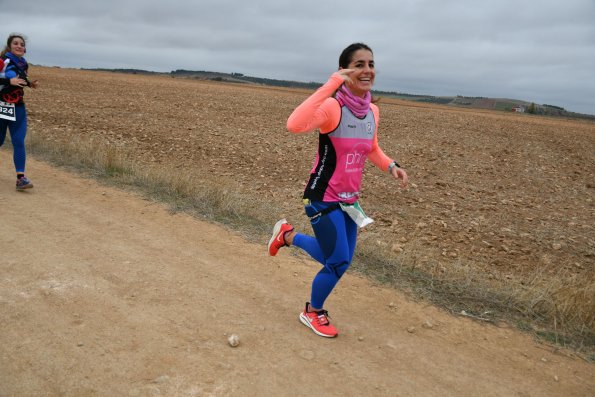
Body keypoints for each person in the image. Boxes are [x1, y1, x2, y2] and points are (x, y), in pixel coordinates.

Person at [267, 43, 409, 338]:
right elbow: (294, 124)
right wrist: (333, 83)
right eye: (359, 64)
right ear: (345, 70)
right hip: (321, 197)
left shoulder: (372, 111)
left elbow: (371, 148)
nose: (367, 70)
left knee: (338, 258)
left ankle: (288, 235)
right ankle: (312, 311)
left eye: (370, 63)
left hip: (350, 201)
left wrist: (391, 165)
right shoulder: (334, 107)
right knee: (339, 261)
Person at [0, 33, 39, 190]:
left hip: (18, 107)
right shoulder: (2, 61)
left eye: (22, 44)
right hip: (1, 106)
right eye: (15, 43)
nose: (19, 46)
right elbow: (11, 80)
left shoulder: (23, 64)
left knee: (18, 141)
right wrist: (9, 80)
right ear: (10, 46)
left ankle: (20, 178)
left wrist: (30, 84)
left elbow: (20, 80)